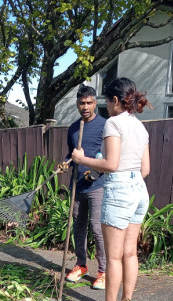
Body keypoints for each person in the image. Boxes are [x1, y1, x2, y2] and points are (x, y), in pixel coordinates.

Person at [72, 78, 151, 301]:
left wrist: (81, 159)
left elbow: (111, 164)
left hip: (119, 190)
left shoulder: (113, 123)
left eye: (106, 102)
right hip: (139, 190)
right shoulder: (140, 126)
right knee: (130, 253)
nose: (106, 107)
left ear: (115, 100)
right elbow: (145, 169)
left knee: (114, 257)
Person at [58, 85, 107, 290]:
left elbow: (109, 157)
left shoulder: (105, 126)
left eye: (89, 103)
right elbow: (72, 154)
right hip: (77, 185)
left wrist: (95, 172)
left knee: (97, 228)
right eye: (81, 103)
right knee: (78, 227)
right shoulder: (73, 128)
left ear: (95, 103)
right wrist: (65, 163)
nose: (85, 107)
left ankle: (104, 271)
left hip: (97, 185)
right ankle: (81, 265)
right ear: (77, 104)